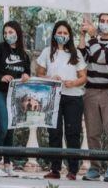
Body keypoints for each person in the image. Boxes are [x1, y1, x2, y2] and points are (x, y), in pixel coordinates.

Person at [36, 20, 88, 181]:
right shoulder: (47, 52)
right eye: (59, 33)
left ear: (69, 36)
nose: (62, 36)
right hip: (53, 96)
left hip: (73, 98)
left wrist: (73, 83)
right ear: (54, 34)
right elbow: (39, 74)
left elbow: (84, 77)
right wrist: (51, 78)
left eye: (65, 33)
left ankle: (73, 170)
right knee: (54, 132)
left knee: (73, 133)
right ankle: (55, 169)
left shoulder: (76, 54)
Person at [0, 20, 31, 177]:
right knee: (3, 126)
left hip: (16, 96)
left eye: (11, 32)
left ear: (18, 33)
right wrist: (1, 77)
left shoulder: (24, 55)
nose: (8, 35)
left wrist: (26, 76)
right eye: (5, 33)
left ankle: (7, 164)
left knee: (11, 128)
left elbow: (27, 72)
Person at [78, 13, 108, 182]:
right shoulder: (91, 42)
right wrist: (83, 35)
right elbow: (82, 58)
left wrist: (94, 35)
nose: (105, 24)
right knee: (92, 132)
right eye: (102, 21)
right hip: (90, 91)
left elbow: (104, 57)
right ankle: (94, 168)